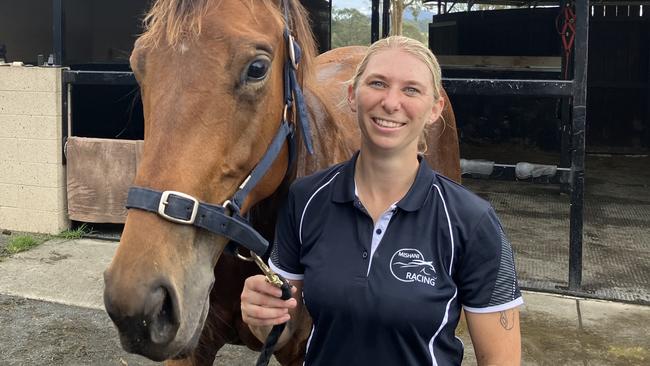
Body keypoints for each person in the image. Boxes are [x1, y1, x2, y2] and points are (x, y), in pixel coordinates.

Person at [241, 36, 523, 365]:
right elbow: (283, 332)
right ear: (352, 95)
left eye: (411, 90)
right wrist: (262, 317)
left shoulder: (472, 222)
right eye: (378, 83)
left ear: (435, 109)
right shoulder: (306, 200)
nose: (391, 102)